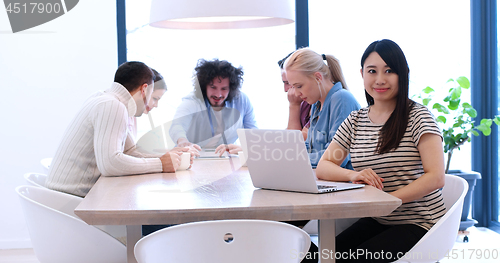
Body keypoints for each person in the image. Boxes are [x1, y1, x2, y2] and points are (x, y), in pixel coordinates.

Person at [316, 39, 446, 262]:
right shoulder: (356, 120)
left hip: (421, 222)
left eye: (389, 71)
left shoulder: (418, 116)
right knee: (324, 255)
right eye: (372, 71)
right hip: (381, 219)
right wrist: (354, 175)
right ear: (362, 74)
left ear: (403, 73)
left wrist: (387, 202)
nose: (380, 79)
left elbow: (436, 177)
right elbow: (324, 166)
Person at [46, 61, 190, 198]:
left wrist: (168, 157)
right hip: (71, 202)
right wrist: (159, 164)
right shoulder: (113, 106)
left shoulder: (104, 98)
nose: (155, 105)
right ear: (144, 89)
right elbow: (110, 164)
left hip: (61, 197)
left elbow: (130, 151)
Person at [284, 48, 360, 168]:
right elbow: (311, 148)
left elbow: (337, 158)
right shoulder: (316, 104)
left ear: (318, 78)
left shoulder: (341, 99)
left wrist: (295, 159)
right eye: (294, 87)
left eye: (299, 86)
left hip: (345, 183)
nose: (297, 93)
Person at [170, 58, 258, 151]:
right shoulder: (193, 101)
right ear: (204, 86)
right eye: (213, 87)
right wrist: (182, 141)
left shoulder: (242, 100)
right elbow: (177, 125)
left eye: (224, 89)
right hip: (193, 157)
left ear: (231, 88)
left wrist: (246, 149)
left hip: (227, 158)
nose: (218, 94)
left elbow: (253, 134)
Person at [279, 52, 311, 140]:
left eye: (288, 83)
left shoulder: (313, 102)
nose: (285, 89)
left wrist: (294, 105)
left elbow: (294, 142)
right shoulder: (303, 102)